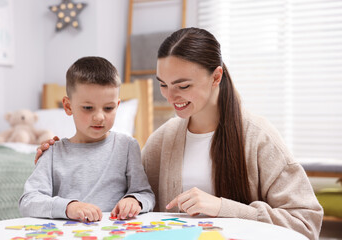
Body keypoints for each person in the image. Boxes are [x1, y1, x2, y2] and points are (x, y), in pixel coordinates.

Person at [35, 28, 323, 239]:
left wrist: (223, 207)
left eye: (183, 86)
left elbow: (306, 222)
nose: (171, 97)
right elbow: (123, 195)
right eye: (163, 84)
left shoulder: (259, 138)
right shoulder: (164, 139)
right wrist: (63, 158)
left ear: (216, 77)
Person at [20, 56, 155, 222]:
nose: (99, 117)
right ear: (68, 106)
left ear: (117, 106)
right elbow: (28, 201)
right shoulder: (53, 152)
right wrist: (69, 207)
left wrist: (135, 201)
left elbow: (145, 194)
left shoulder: (127, 147)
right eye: (88, 108)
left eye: (108, 108)